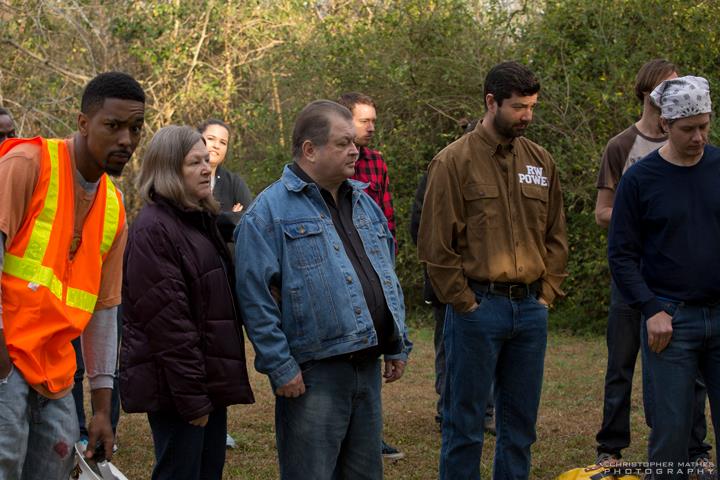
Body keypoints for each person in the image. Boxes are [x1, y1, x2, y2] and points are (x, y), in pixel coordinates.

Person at [235, 100, 412, 479]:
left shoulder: (365, 203)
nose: (355, 150)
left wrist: (396, 341)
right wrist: (281, 367)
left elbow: (386, 273)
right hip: (313, 376)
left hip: (366, 369)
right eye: (343, 143)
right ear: (310, 150)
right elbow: (255, 299)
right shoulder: (268, 213)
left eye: (354, 142)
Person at [418, 61, 568, 479]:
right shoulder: (452, 162)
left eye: (532, 106)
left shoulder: (541, 161)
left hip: (531, 310)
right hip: (477, 311)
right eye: (519, 107)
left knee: (519, 428)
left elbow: (556, 233)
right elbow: (435, 244)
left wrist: (546, 293)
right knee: (464, 427)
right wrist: (464, 304)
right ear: (491, 102)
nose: (528, 116)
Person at [0, 71, 144, 479]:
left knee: (55, 469)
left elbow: (103, 313)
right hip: (6, 362)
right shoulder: (26, 163)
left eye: (135, 128)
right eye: (113, 126)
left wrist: (101, 409)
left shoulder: (114, 208)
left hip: (56, 374)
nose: (126, 140)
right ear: (83, 123)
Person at [594, 59, 712, 467]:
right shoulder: (640, 177)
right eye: (688, 129)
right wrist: (652, 308)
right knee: (670, 428)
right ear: (666, 125)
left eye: (705, 126)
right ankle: (619, 447)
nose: (698, 137)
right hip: (668, 315)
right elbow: (621, 253)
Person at [120, 125, 255, 480]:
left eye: (206, 160)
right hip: (177, 390)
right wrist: (193, 398)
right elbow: (169, 325)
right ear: (167, 170)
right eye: (194, 162)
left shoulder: (198, 220)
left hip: (205, 381)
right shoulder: (155, 229)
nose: (207, 168)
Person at [409, 119, 496, 435]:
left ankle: (485, 412)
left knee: (487, 348)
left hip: (489, 284)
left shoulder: (497, 178)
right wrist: (451, 266)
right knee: (449, 347)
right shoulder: (438, 172)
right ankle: (447, 411)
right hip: (447, 281)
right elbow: (420, 228)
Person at [338, 91, 402, 458]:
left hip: (374, 271)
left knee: (373, 351)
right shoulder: (328, 163)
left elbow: (388, 218)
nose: (371, 127)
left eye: (373, 120)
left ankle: (370, 434)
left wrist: (388, 269)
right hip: (341, 271)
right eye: (365, 120)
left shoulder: (376, 162)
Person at [197, 118, 254, 243]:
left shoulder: (234, 183)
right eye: (211, 139)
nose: (216, 146)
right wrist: (229, 219)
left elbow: (251, 223)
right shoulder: (183, 179)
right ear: (197, 140)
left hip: (227, 260)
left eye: (223, 142)